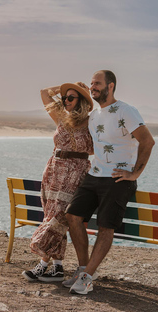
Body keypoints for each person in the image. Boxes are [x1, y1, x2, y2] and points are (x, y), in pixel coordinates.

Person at [64, 70, 155, 294]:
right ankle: (83, 269)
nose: (93, 86)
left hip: (117, 180)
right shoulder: (94, 115)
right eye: (92, 83)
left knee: (105, 227)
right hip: (94, 175)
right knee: (72, 216)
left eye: (97, 83)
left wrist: (134, 174)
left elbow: (148, 141)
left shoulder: (126, 111)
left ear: (110, 86)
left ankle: (86, 278)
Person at [22, 82, 94, 282]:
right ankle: (58, 268)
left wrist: (84, 93)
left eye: (71, 98)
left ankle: (43, 264)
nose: (66, 101)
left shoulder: (92, 122)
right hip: (54, 170)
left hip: (75, 172)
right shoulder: (62, 117)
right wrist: (69, 85)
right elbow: (44, 93)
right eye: (64, 98)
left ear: (81, 102)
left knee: (58, 218)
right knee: (51, 216)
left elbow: (99, 147)